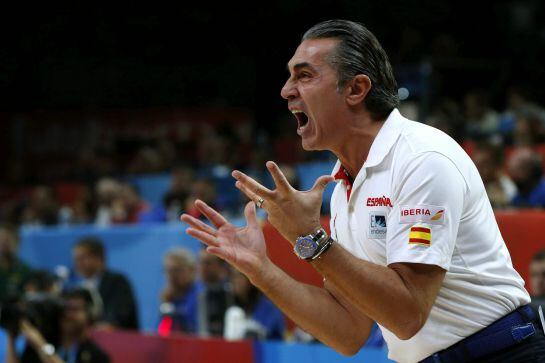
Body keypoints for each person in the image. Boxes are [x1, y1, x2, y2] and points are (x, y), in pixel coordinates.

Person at [181, 19, 544, 363]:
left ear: (356, 89)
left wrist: (309, 237)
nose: (286, 90)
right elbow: (348, 331)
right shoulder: (344, 188)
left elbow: (406, 315)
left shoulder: (422, 158)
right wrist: (260, 270)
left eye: (304, 75)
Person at [6, 288, 110, 363]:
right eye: (64, 308)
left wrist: (41, 346)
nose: (67, 314)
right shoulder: (41, 344)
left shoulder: (97, 356)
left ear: (91, 315)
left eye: (75, 309)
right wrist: (11, 339)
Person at [72, 237, 139, 330]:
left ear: (99, 258)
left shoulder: (117, 281)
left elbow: (118, 318)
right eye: (76, 259)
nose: (78, 263)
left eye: (82, 258)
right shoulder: (79, 288)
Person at [225, 268, 285, 340]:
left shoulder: (269, 309)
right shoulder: (230, 306)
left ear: (251, 280)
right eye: (233, 276)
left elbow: (265, 334)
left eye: (240, 276)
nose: (235, 281)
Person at [157, 248, 201, 335]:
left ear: (192, 269)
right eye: (167, 271)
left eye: (176, 270)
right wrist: (166, 305)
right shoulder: (168, 298)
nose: (171, 276)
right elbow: (163, 333)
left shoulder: (201, 295)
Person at [196, 250, 233, 337]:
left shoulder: (232, 292)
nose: (203, 268)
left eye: (207, 263)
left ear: (221, 266)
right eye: (200, 263)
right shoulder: (195, 293)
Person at [471, 142, 517, 209]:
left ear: (497, 165)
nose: (478, 169)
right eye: (476, 164)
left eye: (484, 164)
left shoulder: (508, 189)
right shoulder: (469, 185)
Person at [0, 224, 33, 301]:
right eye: (1, 241)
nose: (4, 245)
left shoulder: (23, 269)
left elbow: (30, 295)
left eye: (7, 241)